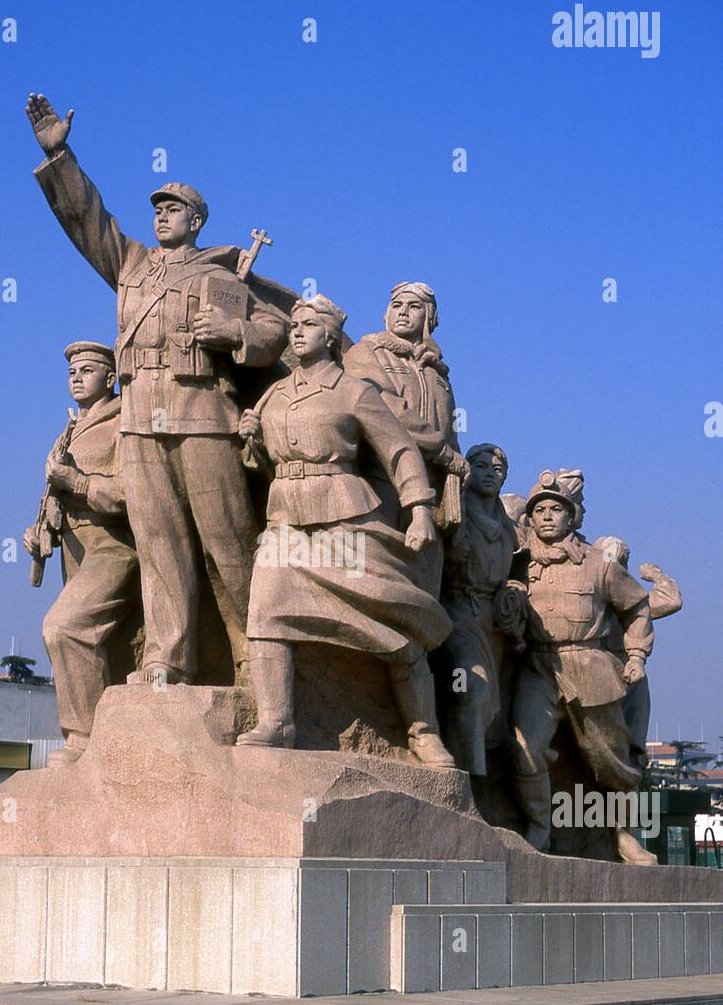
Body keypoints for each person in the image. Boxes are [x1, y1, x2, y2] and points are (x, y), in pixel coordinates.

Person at [25, 93, 290, 686]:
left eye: (173, 209)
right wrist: (60, 156)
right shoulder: (132, 266)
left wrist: (233, 330)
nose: (161, 215)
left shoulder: (221, 275)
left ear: (196, 220)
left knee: (227, 541)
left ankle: (255, 653)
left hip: (202, 414)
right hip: (140, 416)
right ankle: (168, 656)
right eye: (158, 208)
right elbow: (87, 220)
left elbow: (277, 333)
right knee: (159, 542)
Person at [236, 294, 455, 767]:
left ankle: (422, 730)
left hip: (346, 516)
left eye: (309, 324)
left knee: (390, 618)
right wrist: (252, 441)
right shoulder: (274, 394)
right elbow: (258, 468)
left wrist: (419, 509)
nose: (297, 331)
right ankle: (277, 722)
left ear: (331, 337)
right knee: (266, 612)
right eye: (294, 324)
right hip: (286, 521)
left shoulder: (354, 391)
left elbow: (400, 451)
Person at [509, 472, 654, 860]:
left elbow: (637, 608)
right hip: (538, 668)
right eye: (539, 510)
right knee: (525, 747)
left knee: (613, 760)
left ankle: (625, 835)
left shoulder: (599, 563)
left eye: (556, 509)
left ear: (571, 518)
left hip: (590, 666)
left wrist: (637, 655)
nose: (546, 516)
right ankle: (540, 828)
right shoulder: (518, 565)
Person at [23, 342, 141, 764]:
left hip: (114, 545)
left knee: (64, 627)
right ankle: (106, 744)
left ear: (110, 379)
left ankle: (83, 738)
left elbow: (131, 495)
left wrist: (75, 481)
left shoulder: (125, 423)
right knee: (101, 648)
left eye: (87, 370)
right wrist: (40, 534)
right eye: (72, 371)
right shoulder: (67, 430)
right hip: (74, 549)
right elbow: (54, 499)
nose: (75, 377)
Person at [343, 281, 468, 545]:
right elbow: (386, 408)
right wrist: (444, 453)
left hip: (431, 486)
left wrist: (457, 467)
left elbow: (451, 431)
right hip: (381, 479)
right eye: (396, 305)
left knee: (426, 578)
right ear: (386, 314)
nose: (403, 312)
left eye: (413, 307)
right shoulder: (366, 353)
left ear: (429, 317)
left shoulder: (438, 373)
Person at [439, 444, 522, 776]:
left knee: (490, 708)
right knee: (470, 689)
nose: (490, 473)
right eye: (483, 466)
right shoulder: (454, 511)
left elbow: (520, 573)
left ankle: (476, 778)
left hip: (494, 624)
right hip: (458, 613)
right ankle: (466, 780)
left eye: (498, 469)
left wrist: (516, 592)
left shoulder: (508, 526)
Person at [594, 536, 683, 762]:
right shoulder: (592, 597)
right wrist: (656, 575)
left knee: (627, 745)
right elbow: (671, 599)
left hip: (628, 673)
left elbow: (670, 601)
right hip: (598, 672)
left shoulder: (631, 600)